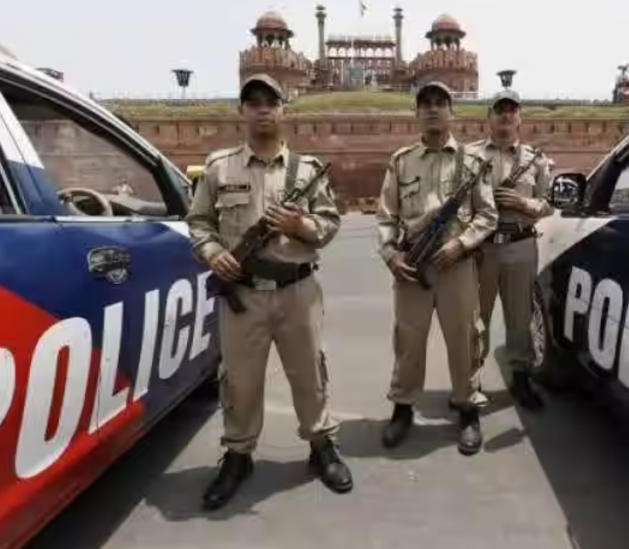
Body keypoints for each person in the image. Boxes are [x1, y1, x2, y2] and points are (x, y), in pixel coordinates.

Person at [186, 73, 353, 510]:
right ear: (242, 111)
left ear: (283, 110)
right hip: (243, 295)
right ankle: (238, 455)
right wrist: (211, 252)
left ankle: (322, 447)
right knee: (240, 381)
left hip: (297, 290)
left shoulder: (308, 171)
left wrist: (302, 226)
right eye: (253, 101)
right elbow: (199, 222)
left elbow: (331, 224)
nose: (262, 108)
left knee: (309, 374)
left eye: (270, 101)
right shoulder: (220, 168)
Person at [375, 80, 499, 456]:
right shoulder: (401, 161)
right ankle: (402, 407)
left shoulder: (472, 163)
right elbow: (386, 216)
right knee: (408, 342)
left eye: (440, 102)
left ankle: (467, 408)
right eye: (425, 103)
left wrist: (462, 244)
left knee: (464, 340)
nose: (432, 109)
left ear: (452, 111)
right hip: (412, 267)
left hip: (456, 266)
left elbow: (488, 215)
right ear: (417, 112)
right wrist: (391, 255)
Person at [465, 89, 554, 411]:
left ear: (519, 117)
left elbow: (548, 204)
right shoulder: (470, 155)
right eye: (499, 109)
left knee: (520, 317)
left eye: (511, 109)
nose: (505, 115)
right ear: (488, 117)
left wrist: (523, 203)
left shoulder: (536, 159)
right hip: (481, 249)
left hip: (520, 244)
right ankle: (470, 382)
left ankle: (520, 377)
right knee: (476, 319)